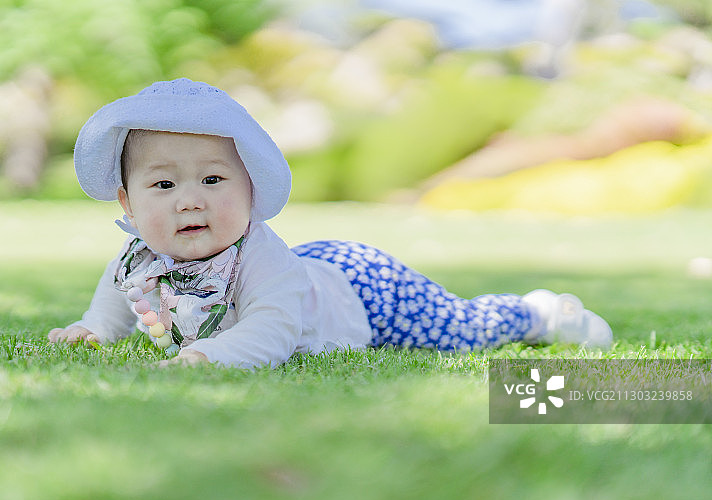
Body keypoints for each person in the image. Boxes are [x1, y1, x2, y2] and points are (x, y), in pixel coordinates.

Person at [48, 78, 612, 368]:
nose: (189, 202)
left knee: (453, 332)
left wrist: (208, 355)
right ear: (126, 202)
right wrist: (94, 330)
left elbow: (271, 333)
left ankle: (538, 312)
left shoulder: (258, 260)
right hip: (316, 269)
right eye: (164, 185)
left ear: (251, 188)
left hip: (363, 291)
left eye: (213, 181)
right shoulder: (138, 260)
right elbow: (117, 300)